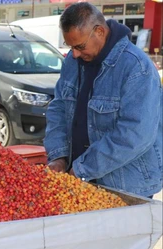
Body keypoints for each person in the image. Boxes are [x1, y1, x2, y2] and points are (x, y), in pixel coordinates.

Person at [44, 2, 162, 198]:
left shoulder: (136, 67)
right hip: (80, 180)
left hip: (126, 188)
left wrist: (83, 168)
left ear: (99, 31)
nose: (75, 54)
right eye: (71, 47)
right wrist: (59, 156)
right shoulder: (73, 62)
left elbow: (135, 134)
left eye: (80, 46)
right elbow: (58, 108)